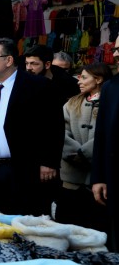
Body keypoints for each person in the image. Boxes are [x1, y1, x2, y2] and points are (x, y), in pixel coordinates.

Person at [0, 38, 64, 216]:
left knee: (29, 223)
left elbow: (53, 126)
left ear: (9, 60)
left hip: (27, 170)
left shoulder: (38, 86)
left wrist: (49, 162)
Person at [55, 63, 112, 233]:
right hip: (71, 179)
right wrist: (75, 153)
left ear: (99, 79)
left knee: (95, 230)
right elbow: (60, 132)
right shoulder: (71, 104)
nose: (79, 81)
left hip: (98, 182)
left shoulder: (110, 103)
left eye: (84, 77)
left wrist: (86, 153)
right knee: (67, 227)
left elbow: (107, 135)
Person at [92, 38, 119, 252]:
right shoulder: (111, 87)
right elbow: (101, 135)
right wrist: (98, 177)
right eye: (116, 49)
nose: (116, 55)